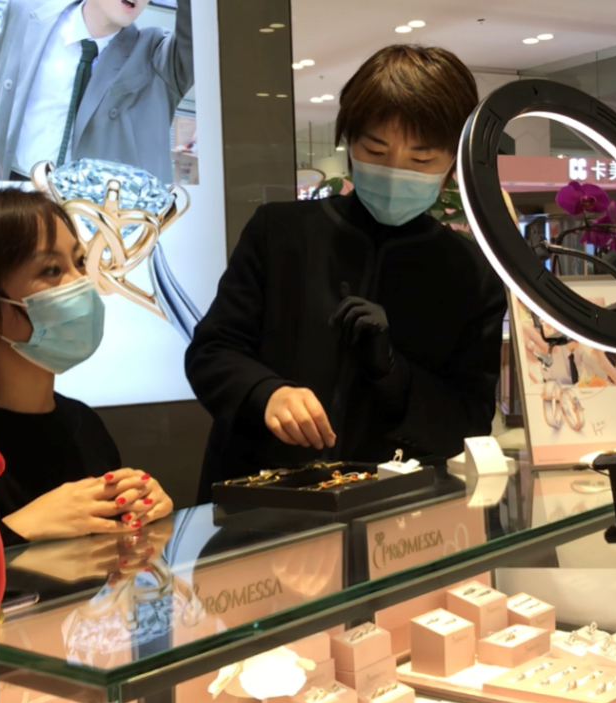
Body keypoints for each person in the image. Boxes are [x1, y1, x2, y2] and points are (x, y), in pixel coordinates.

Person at [185, 45, 507, 501]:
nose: (394, 172)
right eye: (375, 150)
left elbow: (468, 422)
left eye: (420, 160)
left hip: (390, 510)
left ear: (454, 159)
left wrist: (393, 372)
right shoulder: (279, 233)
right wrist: (266, 392)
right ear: (349, 141)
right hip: (256, 500)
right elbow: (211, 351)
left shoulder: (471, 275)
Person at [0, 186, 173, 546]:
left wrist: (143, 511)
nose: (82, 283)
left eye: (80, 262)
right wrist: (20, 528)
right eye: (52, 270)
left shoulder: (86, 427)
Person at [0, 0, 193, 183]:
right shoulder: (28, 15)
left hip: (96, 224)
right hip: (10, 197)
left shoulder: (158, 56)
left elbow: (197, 34)